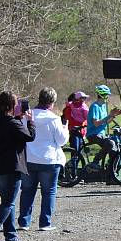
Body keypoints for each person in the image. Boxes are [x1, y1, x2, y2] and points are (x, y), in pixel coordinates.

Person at [0, 91, 36, 241]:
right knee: (8, 203)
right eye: (17, 103)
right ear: (12, 106)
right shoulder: (13, 123)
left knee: (7, 201)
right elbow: (29, 137)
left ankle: (10, 235)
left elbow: (7, 129)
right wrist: (30, 121)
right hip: (9, 168)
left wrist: (18, 118)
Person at [17, 88, 69, 232]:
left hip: (29, 159)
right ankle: (45, 223)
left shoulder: (27, 115)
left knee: (27, 191)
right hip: (49, 160)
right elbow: (61, 140)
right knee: (49, 192)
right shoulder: (54, 119)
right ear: (52, 102)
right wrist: (66, 128)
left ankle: (24, 222)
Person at [86, 85, 121, 169]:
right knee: (110, 144)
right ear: (103, 95)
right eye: (107, 95)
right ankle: (95, 162)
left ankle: (111, 171)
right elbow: (96, 123)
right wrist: (110, 115)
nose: (108, 97)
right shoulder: (94, 106)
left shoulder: (103, 106)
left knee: (115, 149)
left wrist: (113, 116)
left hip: (101, 134)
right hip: (93, 134)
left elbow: (105, 122)